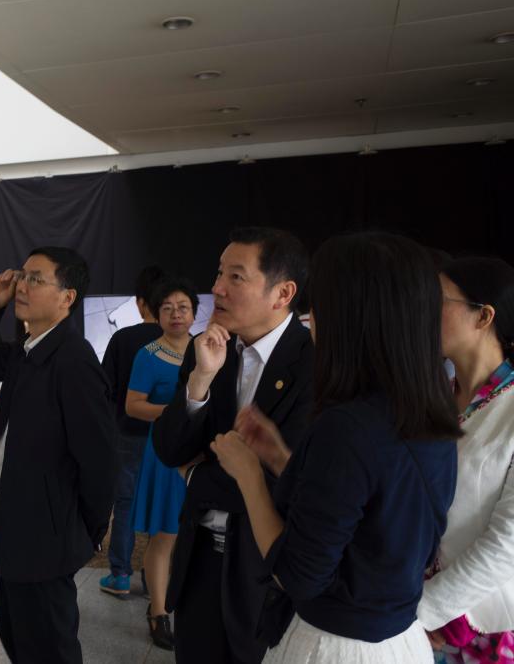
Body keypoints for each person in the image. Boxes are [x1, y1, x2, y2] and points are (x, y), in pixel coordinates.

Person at [211, 232, 462, 664]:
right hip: (398, 640)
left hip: (335, 645)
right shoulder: (427, 410)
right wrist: (281, 458)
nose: (311, 319)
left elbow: (298, 574)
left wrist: (249, 474)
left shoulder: (348, 425)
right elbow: (364, 512)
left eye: (319, 306)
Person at [151, 226, 315, 664]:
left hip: (265, 572)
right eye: (219, 273)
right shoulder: (208, 348)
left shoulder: (314, 364)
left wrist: (196, 476)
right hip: (200, 557)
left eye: (236, 277)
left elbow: (289, 480)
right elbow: (168, 450)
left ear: (283, 293)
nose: (218, 288)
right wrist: (200, 380)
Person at [0, 246, 117, 663]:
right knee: (19, 638)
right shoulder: (30, 349)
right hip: (13, 522)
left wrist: (84, 532)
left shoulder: (73, 361)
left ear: (67, 297)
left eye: (36, 279)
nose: (22, 287)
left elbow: (100, 460)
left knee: (49, 647)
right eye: (22, 276)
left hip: (46, 536)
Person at [419, 256, 514, 663]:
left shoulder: (509, 408)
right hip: (404, 613)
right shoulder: (429, 399)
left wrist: (424, 612)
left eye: (438, 300)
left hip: (482, 628)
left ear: (484, 316)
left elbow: (507, 543)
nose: (425, 312)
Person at [124, 277, 197, 649]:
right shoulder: (148, 355)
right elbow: (133, 406)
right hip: (166, 454)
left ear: (195, 312)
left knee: (194, 535)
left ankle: (187, 606)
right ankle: (158, 611)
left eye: (183, 307)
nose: (176, 314)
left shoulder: (208, 349)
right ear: (157, 314)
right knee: (166, 534)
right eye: (167, 308)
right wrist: (175, 413)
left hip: (202, 453)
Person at [98, 265, 166, 597]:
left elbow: (104, 389)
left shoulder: (122, 339)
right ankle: (155, 578)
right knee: (161, 506)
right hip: (166, 439)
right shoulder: (179, 342)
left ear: (140, 303)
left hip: (126, 434)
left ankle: (120, 576)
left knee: (124, 504)